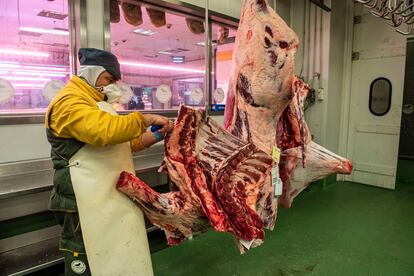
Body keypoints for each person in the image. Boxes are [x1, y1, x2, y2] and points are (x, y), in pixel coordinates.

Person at [45, 48, 172, 275]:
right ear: (92, 73)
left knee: (112, 257)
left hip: (106, 194)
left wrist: (155, 135)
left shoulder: (97, 103)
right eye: (109, 79)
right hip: (81, 199)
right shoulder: (68, 102)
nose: (113, 85)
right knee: (87, 257)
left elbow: (120, 144)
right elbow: (104, 132)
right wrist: (146, 118)